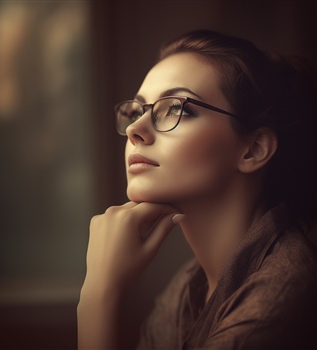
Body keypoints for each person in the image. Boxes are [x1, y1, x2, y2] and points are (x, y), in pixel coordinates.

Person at [77, 29, 317, 349]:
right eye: (136, 111)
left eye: (176, 108)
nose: (135, 130)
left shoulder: (282, 296)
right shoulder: (189, 289)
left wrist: (97, 296)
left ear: (254, 149)